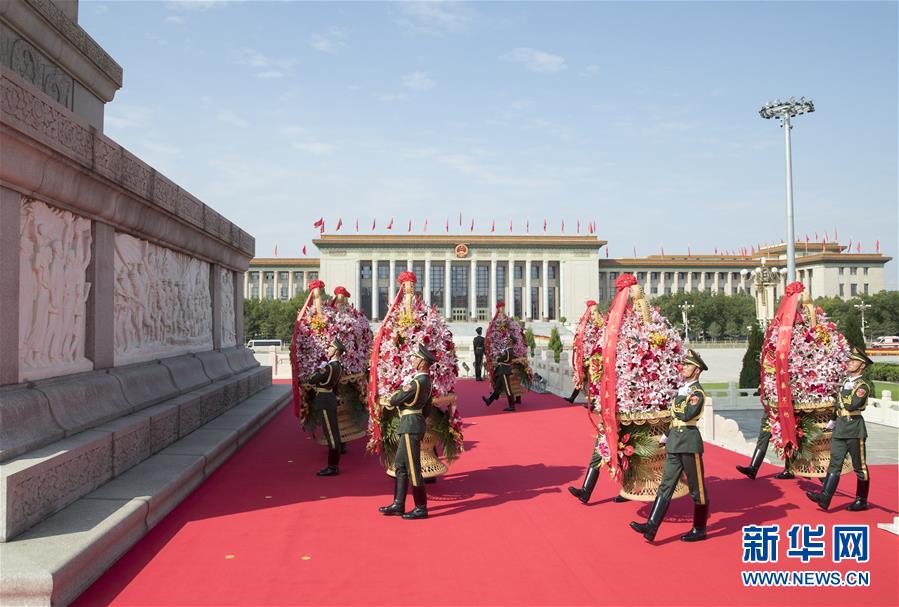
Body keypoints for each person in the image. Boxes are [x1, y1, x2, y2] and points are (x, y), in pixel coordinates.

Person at [630, 349, 710, 543]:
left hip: (689, 443)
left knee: (696, 488)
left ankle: (700, 529)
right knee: (666, 485)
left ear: (697, 371)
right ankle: (651, 526)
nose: (684, 368)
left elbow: (685, 415)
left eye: (689, 365)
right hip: (675, 442)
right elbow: (674, 418)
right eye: (684, 364)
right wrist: (665, 436)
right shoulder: (684, 392)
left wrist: (680, 397)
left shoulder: (696, 393)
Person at [806, 347, 873, 511]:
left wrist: (842, 392)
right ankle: (825, 497)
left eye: (854, 361)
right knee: (834, 464)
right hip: (841, 428)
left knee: (860, 467)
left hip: (854, 428)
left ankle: (861, 500)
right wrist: (832, 421)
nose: (850, 363)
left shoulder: (862, 385)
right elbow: (838, 406)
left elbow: (852, 405)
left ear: (862, 365)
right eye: (849, 360)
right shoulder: (846, 383)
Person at [378, 344, 436, 520]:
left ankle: (421, 507)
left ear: (422, 362)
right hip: (412, 423)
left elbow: (396, 399)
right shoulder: (426, 382)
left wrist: (394, 400)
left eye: (416, 358)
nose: (413, 360)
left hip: (410, 425)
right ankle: (398, 504)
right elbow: (427, 408)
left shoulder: (417, 383)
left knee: (412, 468)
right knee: (400, 466)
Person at [736, 353, 794, 480]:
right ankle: (753, 468)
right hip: (772, 405)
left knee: (788, 436)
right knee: (764, 434)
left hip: (787, 404)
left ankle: (789, 469)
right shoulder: (770, 357)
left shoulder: (787, 356)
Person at [307, 338, 345, 476]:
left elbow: (312, 379)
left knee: (331, 433)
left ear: (336, 351)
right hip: (329, 398)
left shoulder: (329, 367)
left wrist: (319, 369)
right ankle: (333, 465)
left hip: (324, 400)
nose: (328, 349)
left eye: (330, 347)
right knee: (333, 432)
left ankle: (332, 466)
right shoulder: (339, 366)